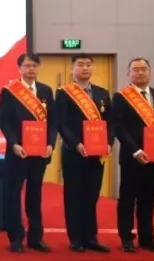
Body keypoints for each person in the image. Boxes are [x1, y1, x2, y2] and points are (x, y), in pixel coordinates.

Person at [112, 57, 154, 254]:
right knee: (127, 198)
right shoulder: (121, 97)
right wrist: (136, 150)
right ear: (128, 73)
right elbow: (118, 127)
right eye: (135, 69)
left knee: (148, 199)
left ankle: (147, 238)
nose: (140, 72)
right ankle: (126, 237)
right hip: (133, 158)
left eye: (144, 69)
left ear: (150, 72)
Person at [52, 53, 113, 253]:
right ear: (73, 69)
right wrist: (76, 143)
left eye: (88, 65)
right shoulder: (64, 93)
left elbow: (111, 123)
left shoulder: (102, 93)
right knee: (74, 195)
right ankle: (76, 238)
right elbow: (60, 123)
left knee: (92, 196)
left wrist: (109, 142)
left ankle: (91, 238)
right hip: (74, 153)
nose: (85, 68)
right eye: (80, 64)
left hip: (97, 154)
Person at [0, 53, 55, 252]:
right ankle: (15, 238)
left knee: (35, 194)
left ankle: (35, 237)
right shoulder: (9, 91)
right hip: (17, 152)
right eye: (27, 65)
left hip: (39, 153)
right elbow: (4, 121)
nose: (31, 69)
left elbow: (53, 122)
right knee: (13, 194)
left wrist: (51, 144)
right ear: (19, 68)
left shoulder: (46, 90)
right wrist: (14, 143)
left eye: (34, 66)